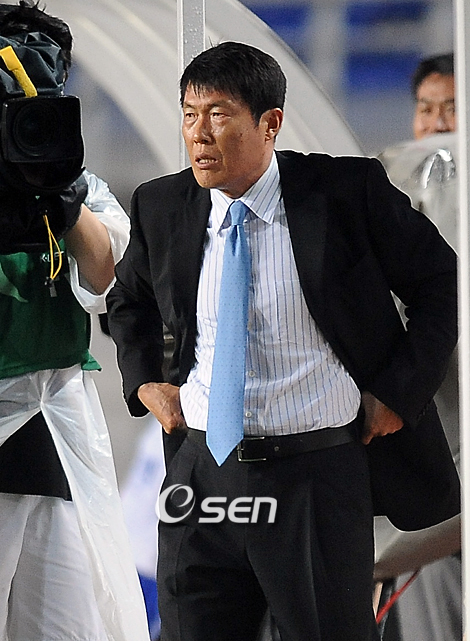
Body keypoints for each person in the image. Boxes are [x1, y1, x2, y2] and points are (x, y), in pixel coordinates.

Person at [106, 41, 460, 641]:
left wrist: (398, 394)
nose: (199, 134)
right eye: (189, 115)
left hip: (316, 477)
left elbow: (442, 284)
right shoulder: (162, 204)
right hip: (201, 474)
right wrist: (145, 383)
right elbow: (127, 299)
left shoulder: (345, 193)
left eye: (218, 115)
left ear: (270, 123)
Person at [0, 3, 150, 641]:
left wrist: (60, 196)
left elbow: (111, 280)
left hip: (55, 421)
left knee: (74, 625)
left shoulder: (66, 179)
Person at [377, 53, 461, 641]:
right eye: (426, 109)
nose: (436, 124)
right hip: (428, 432)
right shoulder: (393, 188)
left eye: (452, 109)